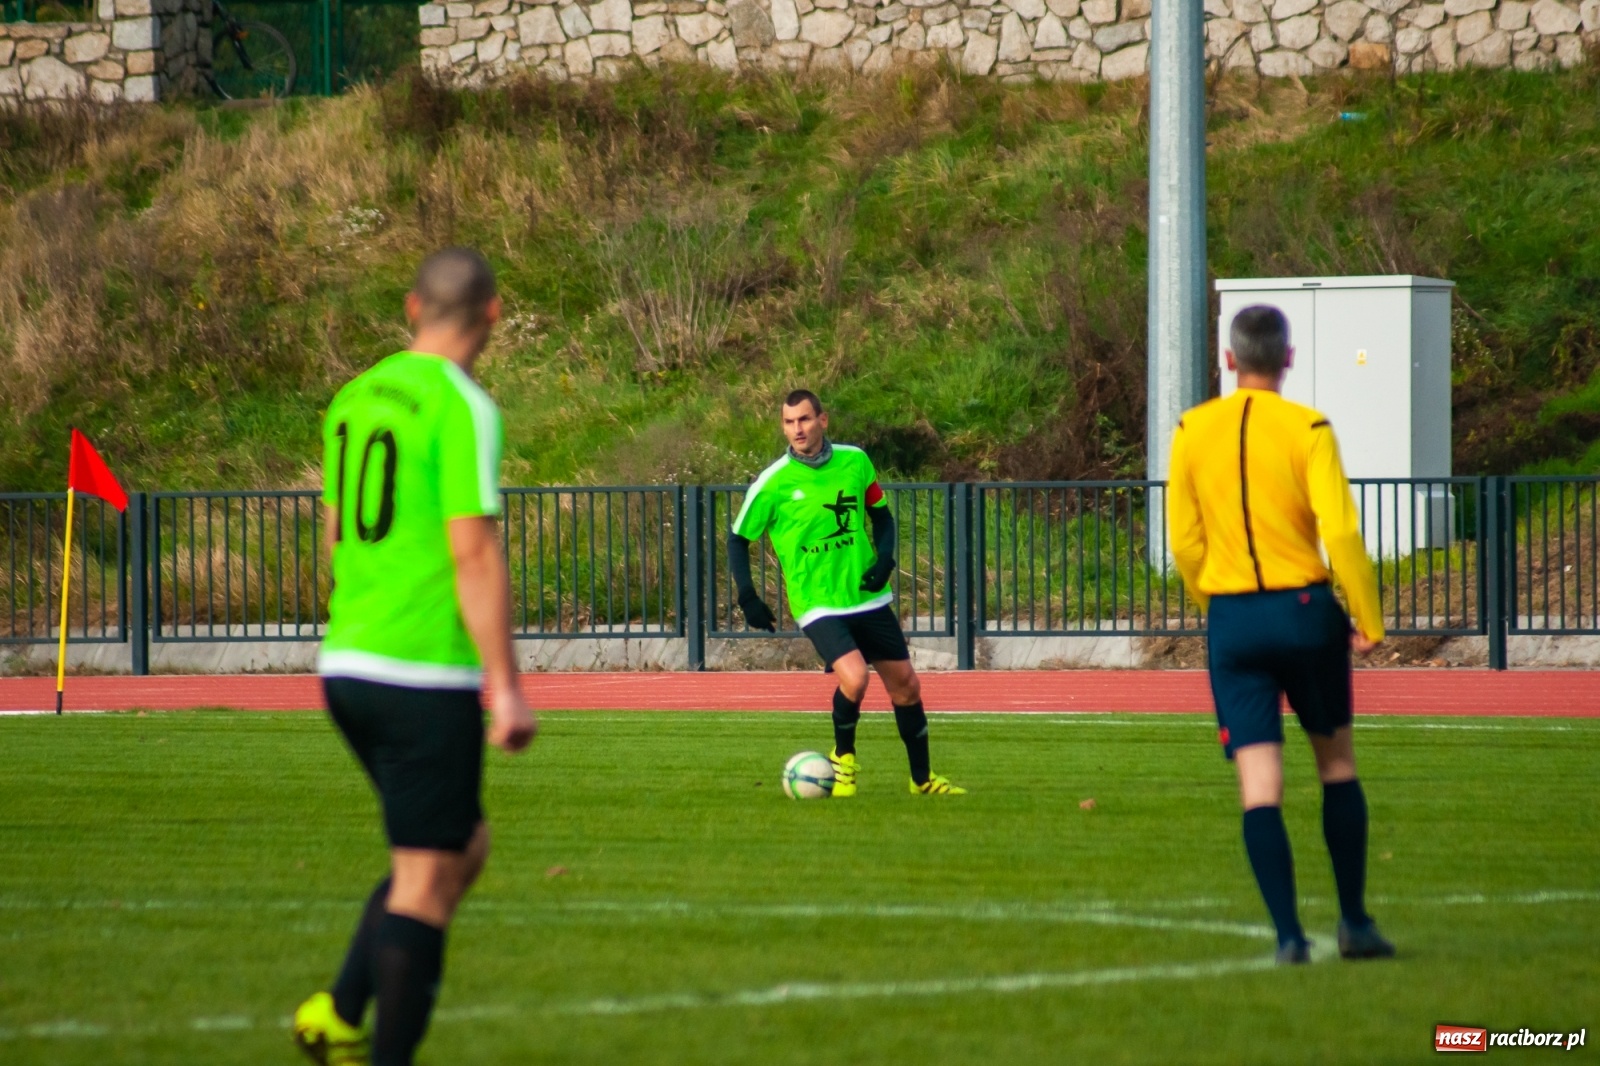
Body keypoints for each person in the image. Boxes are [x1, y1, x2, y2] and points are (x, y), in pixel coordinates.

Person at [293, 247, 537, 1066]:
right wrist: (504, 688)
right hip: (420, 669)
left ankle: (339, 1006)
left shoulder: (354, 396)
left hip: (347, 662)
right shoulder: (462, 404)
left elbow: (332, 532)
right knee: (429, 885)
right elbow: (474, 553)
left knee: (456, 847)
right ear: (493, 314)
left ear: (411, 307)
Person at [1167, 304, 1396, 966]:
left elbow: (1184, 537)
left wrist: (1211, 597)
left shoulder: (1191, 428)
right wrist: (1369, 618)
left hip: (1234, 619)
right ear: (1288, 359)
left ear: (1229, 360)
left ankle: (1290, 938)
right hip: (1303, 609)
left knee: (1259, 786)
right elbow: (1343, 531)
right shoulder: (1309, 427)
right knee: (1337, 767)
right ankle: (1353, 922)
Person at [728, 389, 965, 797]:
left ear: (823, 420)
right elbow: (737, 539)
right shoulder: (773, 482)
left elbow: (881, 515)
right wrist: (747, 596)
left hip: (865, 595)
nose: (796, 429)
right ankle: (843, 759)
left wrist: (885, 559)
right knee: (855, 678)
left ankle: (923, 780)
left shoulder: (855, 461)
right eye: (789, 422)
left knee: (906, 686)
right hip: (817, 601)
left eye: (804, 419)